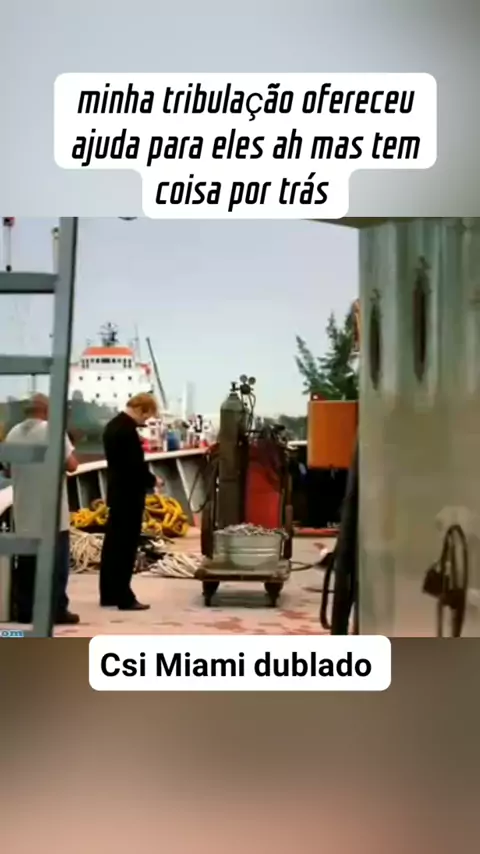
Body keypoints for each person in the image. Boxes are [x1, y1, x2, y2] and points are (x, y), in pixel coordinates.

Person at [4, 394, 80, 625]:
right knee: (56, 564)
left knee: (27, 564)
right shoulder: (52, 431)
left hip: (23, 511)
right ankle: (56, 610)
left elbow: (7, 470)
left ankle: (26, 610)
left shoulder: (13, 433)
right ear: (47, 410)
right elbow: (72, 466)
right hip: (52, 513)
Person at [99, 392, 159, 610]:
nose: (146, 421)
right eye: (147, 415)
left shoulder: (112, 426)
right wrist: (153, 480)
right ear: (141, 409)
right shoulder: (127, 431)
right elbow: (134, 465)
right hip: (129, 496)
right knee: (125, 547)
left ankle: (108, 593)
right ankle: (124, 596)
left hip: (116, 493)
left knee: (112, 545)